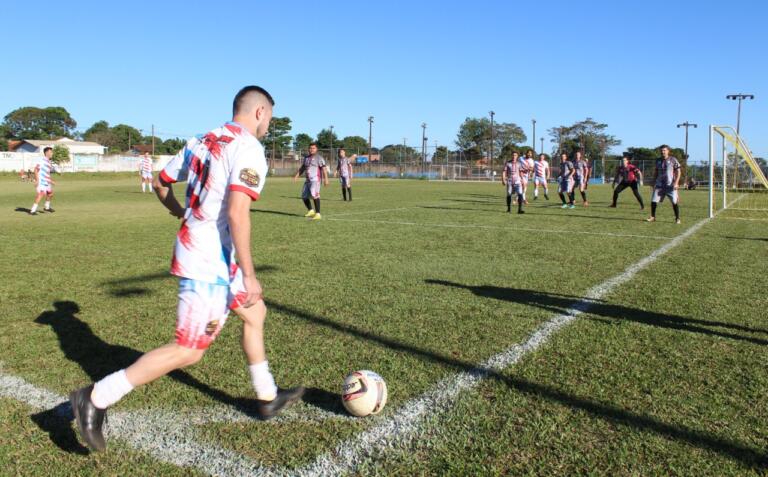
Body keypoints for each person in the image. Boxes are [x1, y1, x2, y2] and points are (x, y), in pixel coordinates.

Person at [69, 86, 304, 453]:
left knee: (255, 313)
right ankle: (95, 398)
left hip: (208, 253)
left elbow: (162, 183)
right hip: (208, 260)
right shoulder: (248, 148)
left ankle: (268, 395)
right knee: (188, 350)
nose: (267, 126)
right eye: (269, 119)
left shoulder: (201, 140)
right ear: (260, 112)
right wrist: (250, 273)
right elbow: (237, 212)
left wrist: (180, 212)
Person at [647, 144, 681, 224]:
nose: (663, 152)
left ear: (668, 151)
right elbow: (656, 172)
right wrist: (653, 182)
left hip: (670, 185)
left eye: (664, 150)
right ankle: (653, 217)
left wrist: (676, 183)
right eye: (661, 150)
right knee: (653, 201)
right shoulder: (658, 160)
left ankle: (677, 218)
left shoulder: (673, 159)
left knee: (674, 202)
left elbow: (678, 172)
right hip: (659, 185)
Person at [294, 143, 329, 220]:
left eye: (313, 148)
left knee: (314, 195)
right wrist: (297, 175)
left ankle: (318, 214)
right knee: (304, 196)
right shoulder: (306, 158)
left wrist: (326, 179)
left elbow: (324, 169)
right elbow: (303, 167)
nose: (311, 149)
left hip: (315, 180)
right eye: (310, 148)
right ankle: (311, 210)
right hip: (308, 180)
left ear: (316, 149)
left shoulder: (319, 158)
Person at [29, 147, 56, 215]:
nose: (52, 153)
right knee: (41, 194)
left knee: (50, 194)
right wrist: (37, 180)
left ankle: (46, 207)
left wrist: (50, 181)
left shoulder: (48, 162)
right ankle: (32, 210)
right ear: (46, 153)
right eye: (51, 152)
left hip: (46, 181)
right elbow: (35, 169)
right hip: (41, 181)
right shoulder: (42, 160)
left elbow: (47, 173)